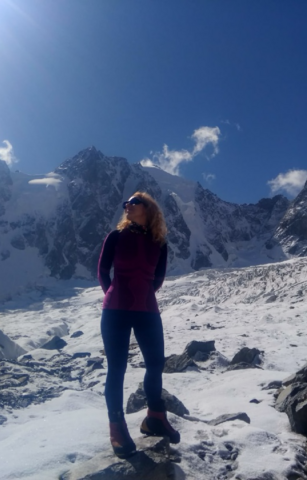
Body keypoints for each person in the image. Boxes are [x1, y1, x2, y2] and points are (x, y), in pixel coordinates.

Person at [97, 191, 180, 458]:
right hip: (116, 310)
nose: (127, 206)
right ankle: (117, 428)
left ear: (148, 208)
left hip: (146, 310)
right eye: (126, 203)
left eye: (133, 202)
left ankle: (155, 417)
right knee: (117, 369)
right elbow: (102, 271)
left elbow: (158, 278)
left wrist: (143, 295)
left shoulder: (160, 243)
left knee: (155, 364)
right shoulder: (115, 236)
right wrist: (114, 295)